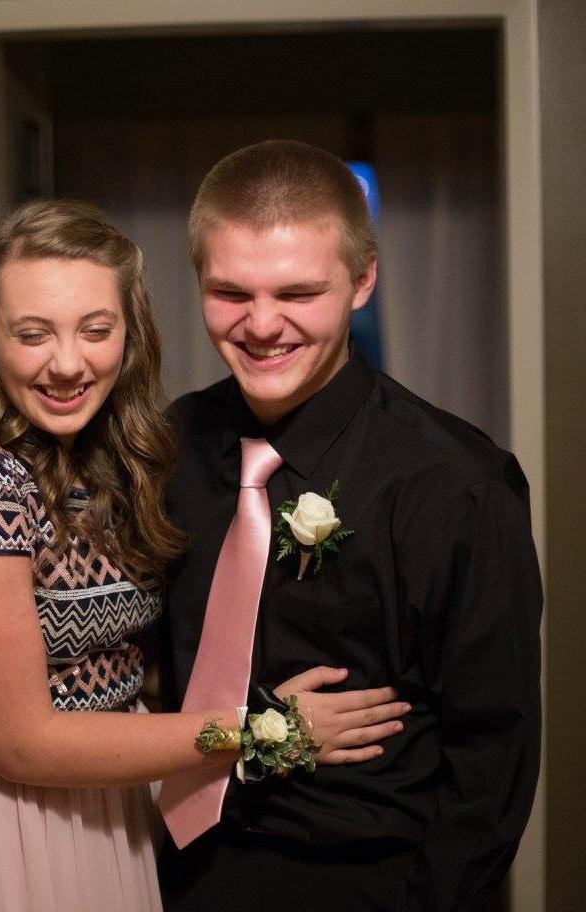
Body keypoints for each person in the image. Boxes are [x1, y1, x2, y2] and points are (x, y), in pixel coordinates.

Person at [0, 199, 410, 912]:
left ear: (130, 334)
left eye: (96, 330)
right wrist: (264, 732)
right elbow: (21, 742)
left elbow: (120, 664)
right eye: (32, 334)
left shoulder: (112, 463)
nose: (67, 364)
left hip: (102, 808)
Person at [156, 140, 543, 911]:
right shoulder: (165, 449)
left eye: (297, 292)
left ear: (363, 280)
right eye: (231, 292)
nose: (261, 325)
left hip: (367, 881)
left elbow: (492, 756)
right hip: (160, 873)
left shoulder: (455, 484)